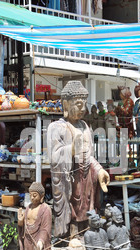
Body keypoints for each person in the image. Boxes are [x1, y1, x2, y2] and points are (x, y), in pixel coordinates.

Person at [47, 81, 110, 239]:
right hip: (70, 178)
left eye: (84, 105)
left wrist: (100, 170)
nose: (82, 109)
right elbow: (54, 156)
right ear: (66, 104)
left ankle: (86, 233)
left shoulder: (85, 126)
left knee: (87, 207)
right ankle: (71, 235)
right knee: (74, 208)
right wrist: (71, 150)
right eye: (78, 104)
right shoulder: (56, 127)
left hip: (87, 177)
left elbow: (89, 156)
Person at [17, 182, 52, 250]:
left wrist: (41, 241)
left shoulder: (45, 209)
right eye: (30, 194)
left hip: (38, 238)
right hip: (27, 238)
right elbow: (23, 225)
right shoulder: (28, 208)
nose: (32, 197)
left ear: (41, 196)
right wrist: (20, 221)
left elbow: (46, 228)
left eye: (35, 195)